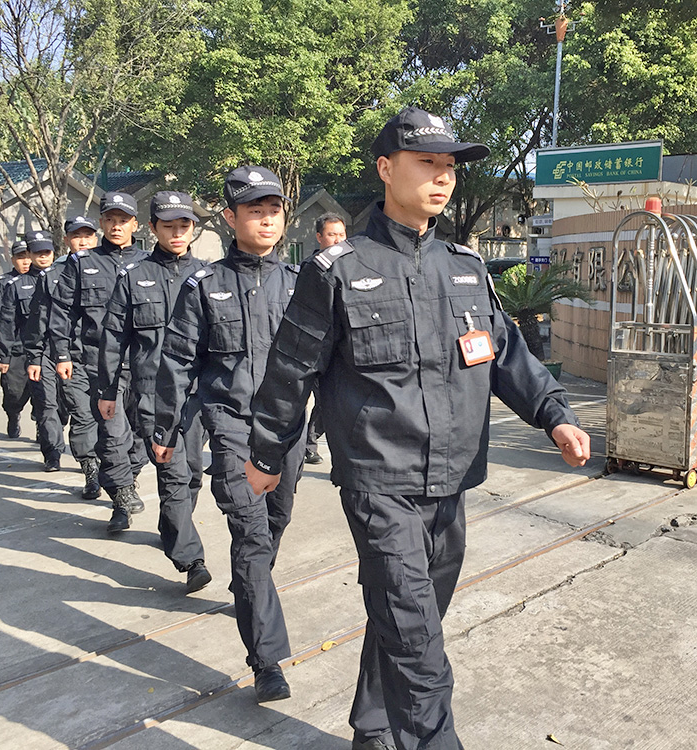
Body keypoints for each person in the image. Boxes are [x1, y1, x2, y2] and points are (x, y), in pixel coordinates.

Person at [245, 107, 591, 750]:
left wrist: (555, 415)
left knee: (410, 615)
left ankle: (374, 726)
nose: (442, 178)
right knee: (417, 640)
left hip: (451, 480)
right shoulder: (337, 270)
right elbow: (291, 367)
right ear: (386, 168)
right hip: (379, 480)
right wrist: (266, 452)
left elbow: (506, 355)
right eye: (427, 163)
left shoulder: (464, 267)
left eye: (449, 167)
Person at [152, 166, 305, 702]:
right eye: (254, 211)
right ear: (230, 218)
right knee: (251, 532)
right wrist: (165, 428)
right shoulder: (205, 286)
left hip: (287, 430)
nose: (266, 220)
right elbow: (176, 361)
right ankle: (267, 661)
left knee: (277, 520)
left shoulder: (302, 284)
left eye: (274, 210)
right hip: (231, 426)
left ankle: (249, 585)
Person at [97, 191, 211, 591]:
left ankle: (172, 528)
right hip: (152, 394)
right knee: (173, 473)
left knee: (192, 474)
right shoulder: (134, 277)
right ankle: (191, 559)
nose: (177, 233)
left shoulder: (208, 276)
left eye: (184, 225)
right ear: (152, 229)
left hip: (196, 393)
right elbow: (113, 337)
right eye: (169, 226)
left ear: (193, 229)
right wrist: (107, 389)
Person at [48, 192, 149, 527]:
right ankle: (121, 496)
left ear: (135, 224)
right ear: (102, 223)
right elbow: (62, 312)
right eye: (110, 220)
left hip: (145, 363)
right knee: (113, 432)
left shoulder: (149, 263)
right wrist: (62, 354)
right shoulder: (82, 263)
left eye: (123, 220)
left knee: (143, 433)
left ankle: (128, 480)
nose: (116, 226)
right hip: (100, 364)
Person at [24, 216, 101, 497]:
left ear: (95, 238)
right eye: (76, 236)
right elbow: (40, 319)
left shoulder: (112, 268)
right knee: (82, 413)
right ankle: (90, 469)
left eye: (88, 235)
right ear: (67, 240)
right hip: (70, 356)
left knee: (115, 416)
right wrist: (35, 357)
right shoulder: (52, 275)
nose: (83, 241)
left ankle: (119, 468)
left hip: (108, 356)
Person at [0, 231, 65, 470]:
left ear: (53, 253)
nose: (43, 257)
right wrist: (4, 355)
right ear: (30, 254)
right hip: (35, 353)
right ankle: (52, 453)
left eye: (47, 252)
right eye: (37, 253)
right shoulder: (17, 286)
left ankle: (81, 452)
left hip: (66, 352)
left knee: (66, 406)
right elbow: (7, 322)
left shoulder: (67, 278)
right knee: (45, 404)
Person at [303, 212, 347, 465]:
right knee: (321, 399)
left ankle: (310, 442)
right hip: (313, 345)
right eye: (332, 235)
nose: (338, 240)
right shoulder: (311, 268)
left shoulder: (351, 265)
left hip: (341, 347)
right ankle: (306, 445)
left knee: (332, 400)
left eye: (342, 234)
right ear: (319, 237)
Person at [0, 240, 32, 438]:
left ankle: (43, 426)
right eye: (21, 257)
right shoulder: (2, 283)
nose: (26, 261)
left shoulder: (47, 279)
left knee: (47, 395)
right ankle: (13, 414)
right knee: (14, 392)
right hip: (14, 348)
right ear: (12, 260)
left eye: (28, 256)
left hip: (43, 348)